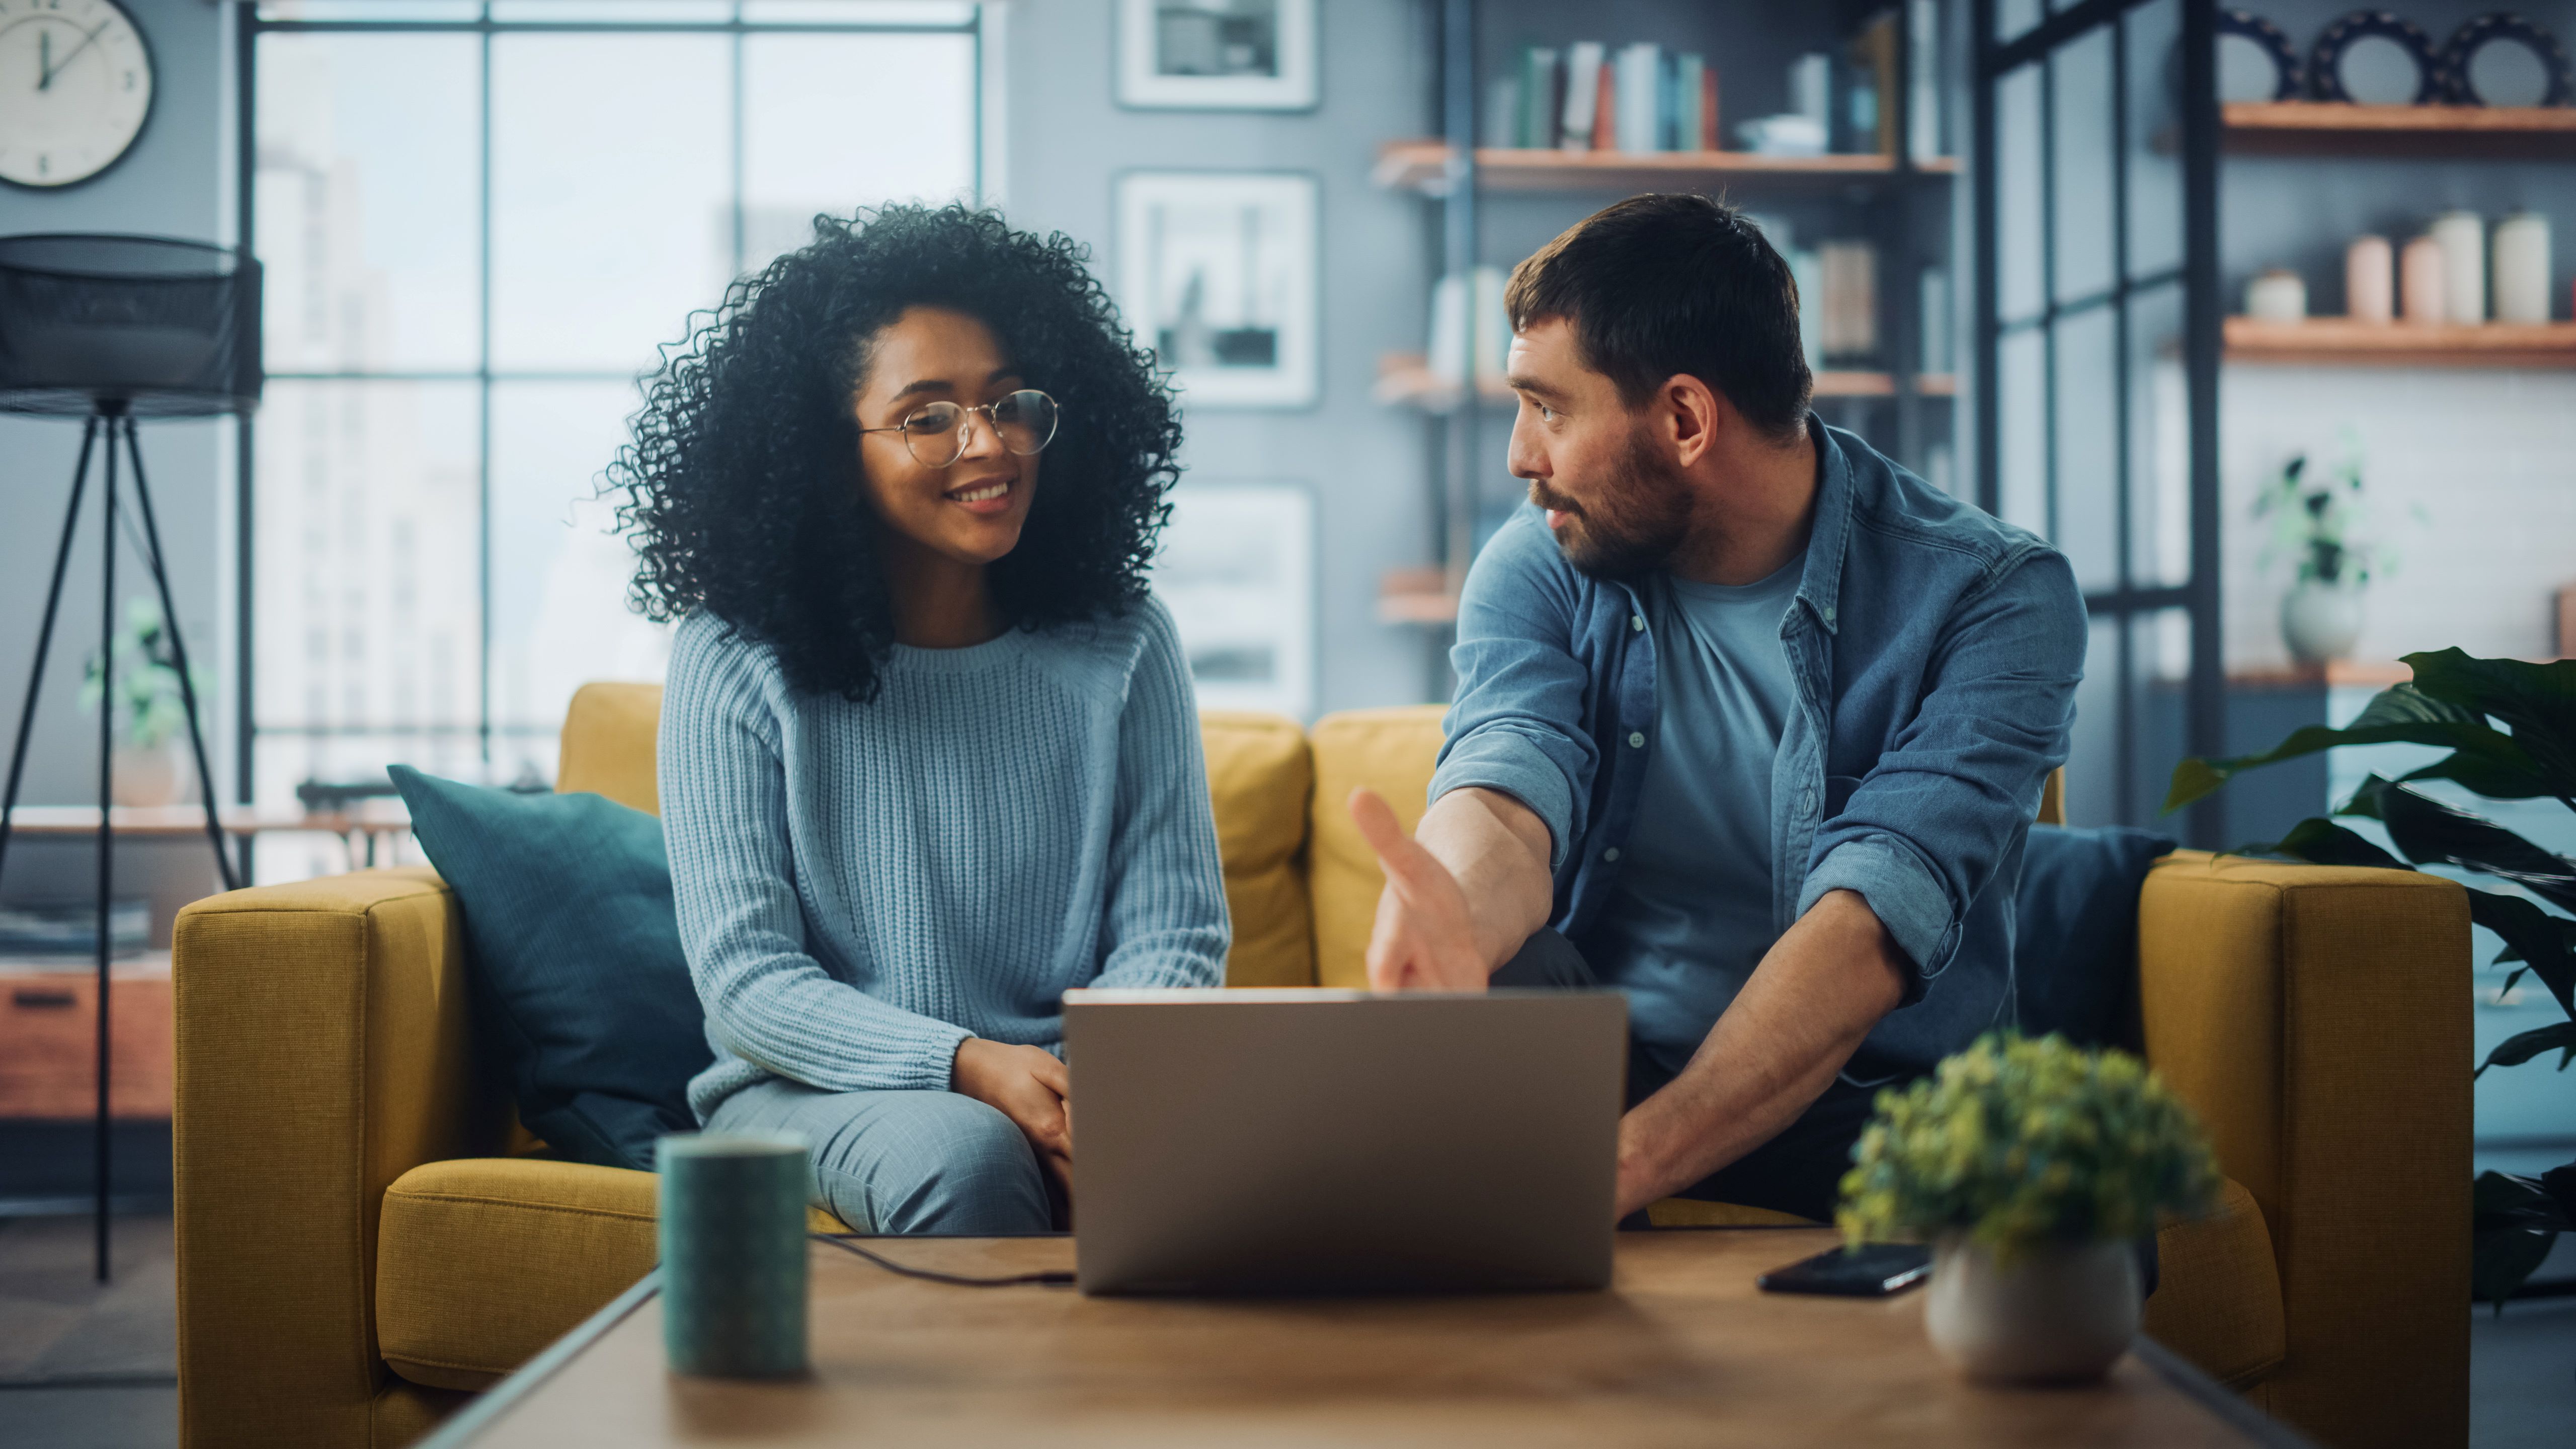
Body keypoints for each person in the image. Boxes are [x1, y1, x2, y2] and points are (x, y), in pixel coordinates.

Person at [1349, 194, 2083, 1226]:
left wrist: (1626, 1165)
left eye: (1548, 408)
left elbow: (1874, 914)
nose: (1520, 458)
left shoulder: (1992, 595)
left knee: (2072, 1229)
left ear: (1685, 419)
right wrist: (1458, 917)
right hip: (1603, 1051)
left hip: (1860, 1094)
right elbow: (1509, 788)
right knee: (1515, 975)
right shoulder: (1542, 554)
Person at [614, 204, 1229, 1235]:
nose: (987, 445)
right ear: (824, 452)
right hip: (810, 1085)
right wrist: (968, 1066)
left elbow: (1176, 935)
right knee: (969, 1154)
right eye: (927, 415)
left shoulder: (1125, 639)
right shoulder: (731, 656)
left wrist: (1089, 1097)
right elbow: (750, 987)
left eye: (1007, 403)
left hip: (1074, 1075)